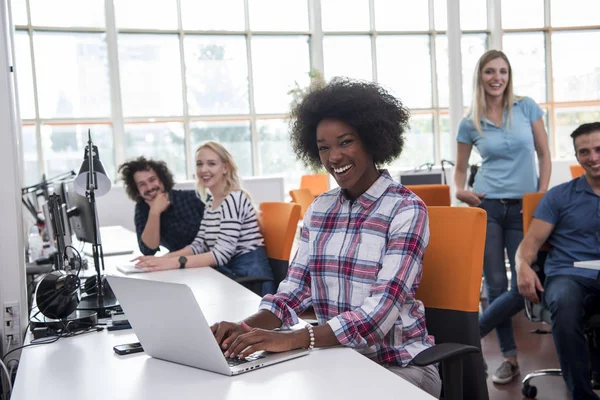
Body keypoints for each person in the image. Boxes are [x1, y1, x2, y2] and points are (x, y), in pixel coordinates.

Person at [209, 78, 442, 398]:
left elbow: (377, 317)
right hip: (335, 359)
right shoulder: (320, 209)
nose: (334, 157)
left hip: (399, 365)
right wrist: (246, 329)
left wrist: (295, 338)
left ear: (372, 139)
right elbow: (293, 293)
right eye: (323, 147)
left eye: (346, 142)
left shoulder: (405, 210)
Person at [453, 49, 552, 384]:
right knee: (494, 284)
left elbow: (544, 153)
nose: (497, 78)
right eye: (490, 72)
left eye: (503, 72)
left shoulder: (526, 107)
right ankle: (509, 358)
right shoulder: (470, 122)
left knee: (522, 282)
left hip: (525, 206)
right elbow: (461, 169)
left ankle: (471, 336)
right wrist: (459, 189)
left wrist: (540, 198)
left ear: (509, 77)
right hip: (488, 205)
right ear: (480, 76)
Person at [517, 122, 600, 400]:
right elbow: (531, 243)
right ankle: (582, 395)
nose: (593, 158)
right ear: (576, 157)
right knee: (564, 301)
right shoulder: (559, 196)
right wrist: (522, 267)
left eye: (599, 149)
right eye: (585, 151)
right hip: (570, 276)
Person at [134, 142, 276, 296]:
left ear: (225, 168)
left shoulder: (234, 198)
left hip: (252, 282)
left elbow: (221, 255)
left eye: (211, 164)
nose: (203, 170)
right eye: (199, 164)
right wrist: (161, 260)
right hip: (233, 277)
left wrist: (172, 262)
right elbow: (199, 245)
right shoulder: (211, 204)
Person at [119, 157, 205, 255]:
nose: (149, 187)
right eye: (142, 184)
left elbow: (212, 243)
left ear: (162, 179)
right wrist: (154, 212)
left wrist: (168, 258)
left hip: (212, 262)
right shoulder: (142, 209)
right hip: (182, 265)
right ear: (137, 190)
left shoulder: (194, 198)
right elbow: (148, 250)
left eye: (152, 180)